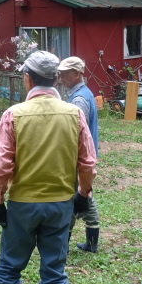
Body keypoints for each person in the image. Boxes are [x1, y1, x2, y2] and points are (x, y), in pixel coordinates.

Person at [0, 50, 97, 284]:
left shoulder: (14, 114)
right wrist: (83, 196)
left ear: (28, 78)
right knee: (54, 269)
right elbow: (88, 163)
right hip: (60, 205)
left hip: (21, 205)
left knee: (9, 266)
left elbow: (1, 168)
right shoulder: (74, 113)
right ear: (56, 78)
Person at [57, 56, 101, 253]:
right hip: (83, 158)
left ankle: (64, 246)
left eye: (64, 74)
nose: (60, 77)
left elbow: (75, 133)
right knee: (82, 196)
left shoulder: (79, 99)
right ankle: (90, 244)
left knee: (76, 198)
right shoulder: (83, 94)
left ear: (76, 74)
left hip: (77, 158)